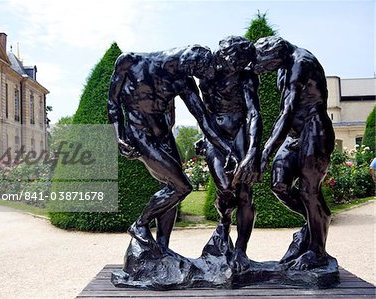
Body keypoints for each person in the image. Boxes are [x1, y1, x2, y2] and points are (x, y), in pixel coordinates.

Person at [107, 45, 237, 249]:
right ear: (187, 63)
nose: (192, 78)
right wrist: (118, 136)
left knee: (170, 188)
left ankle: (163, 247)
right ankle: (140, 224)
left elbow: (203, 118)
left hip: (164, 136)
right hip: (140, 134)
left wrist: (226, 148)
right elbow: (112, 101)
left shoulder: (183, 80)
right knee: (181, 186)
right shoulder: (130, 62)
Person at [254, 36, 335, 270]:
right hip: (294, 135)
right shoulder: (283, 65)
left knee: (309, 192)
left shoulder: (301, 62)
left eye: (264, 66)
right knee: (278, 184)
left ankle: (316, 250)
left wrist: (266, 151)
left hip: (314, 129)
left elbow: (287, 111)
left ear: (274, 56)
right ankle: (315, 221)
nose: (264, 71)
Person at [197, 36, 262, 272]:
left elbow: (253, 113)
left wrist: (253, 150)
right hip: (215, 134)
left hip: (239, 134)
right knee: (224, 187)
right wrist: (204, 135)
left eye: (237, 61)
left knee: (245, 193)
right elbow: (203, 110)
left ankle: (241, 250)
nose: (232, 65)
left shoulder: (246, 78)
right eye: (230, 59)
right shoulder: (207, 75)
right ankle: (224, 221)